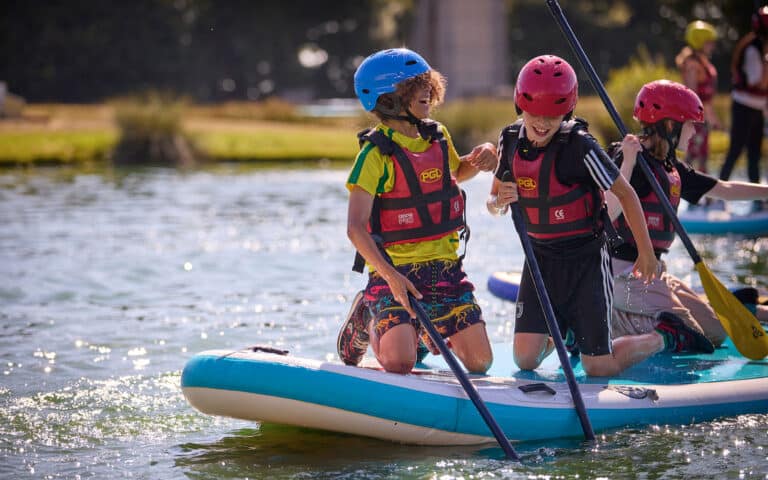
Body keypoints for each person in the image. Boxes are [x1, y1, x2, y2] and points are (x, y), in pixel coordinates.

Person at [486, 55, 689, 378]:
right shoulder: (510, 139)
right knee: (525, 360)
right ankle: (567, 329)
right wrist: (499, 201)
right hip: (539, 259)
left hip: (586, 261)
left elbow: (627, 194)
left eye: (552, 117)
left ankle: (662, 336)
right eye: (534, 114)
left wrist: (647, 253)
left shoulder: (581, 147)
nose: (542, 123)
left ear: (566, 112)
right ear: (519, 107)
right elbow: (493, 199)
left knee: (598, 367)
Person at [336, 48, 497, 374]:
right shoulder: (374, 154)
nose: (426, 91)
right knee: (399, 362)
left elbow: (456, 171)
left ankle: (421, 332)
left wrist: (484, 156)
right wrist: (391, 278)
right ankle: (368, 313)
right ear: (387, 99)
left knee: (481, 362)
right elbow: (355, 228)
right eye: (414, 86)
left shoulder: (436, 136)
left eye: (427, 83)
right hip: (395, 273)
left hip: (446, 271)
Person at [607, 80, 768, 346]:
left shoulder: (669, 166)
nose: (694, 131)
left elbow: (724, 189)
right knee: (690, 340)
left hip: (654, 271)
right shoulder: (628, 158)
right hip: (621, 273)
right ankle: (604, 327)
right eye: (691, 124)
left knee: (714, 334)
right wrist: (627, 162)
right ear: (671, 125)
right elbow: (609, 212)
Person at [719, 6, 768, 212]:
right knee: (735, 150)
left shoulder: (761, 48)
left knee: (754, 155)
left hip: (757, 109)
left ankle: (757, 202)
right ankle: (715, 197)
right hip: (743, 108)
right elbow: (759, 81)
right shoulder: (752, 50)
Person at [675, 20, 722, 175]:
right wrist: (697, 119)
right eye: (709, 42)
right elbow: (692, 95)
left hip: (703, 117)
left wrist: (712, 118)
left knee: (702, 155)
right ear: (700, 42)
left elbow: (706, 99)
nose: (713, 46)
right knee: (693, 155)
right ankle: (676, 188)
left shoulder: (703, 62)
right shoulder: (692, 64)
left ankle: (707, 197)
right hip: (696, 118)